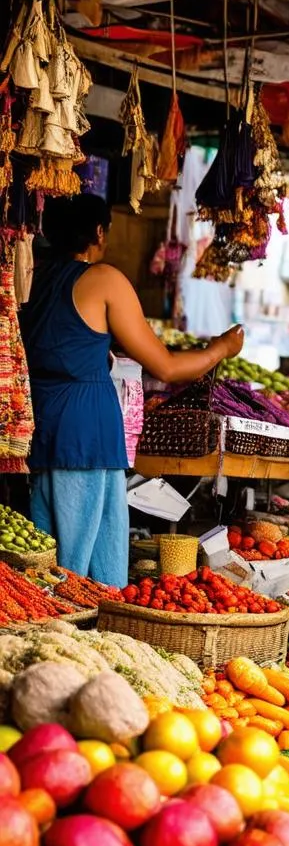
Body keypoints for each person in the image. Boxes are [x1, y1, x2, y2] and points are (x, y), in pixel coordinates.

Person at [19, 194, 245, 587]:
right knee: (83, 564)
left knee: (43, 551)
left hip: (39, 423)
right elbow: (166, 365)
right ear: (99, 232)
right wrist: (221, 349)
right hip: (87, 429)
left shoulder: (30, 276)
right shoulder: (102, 280)